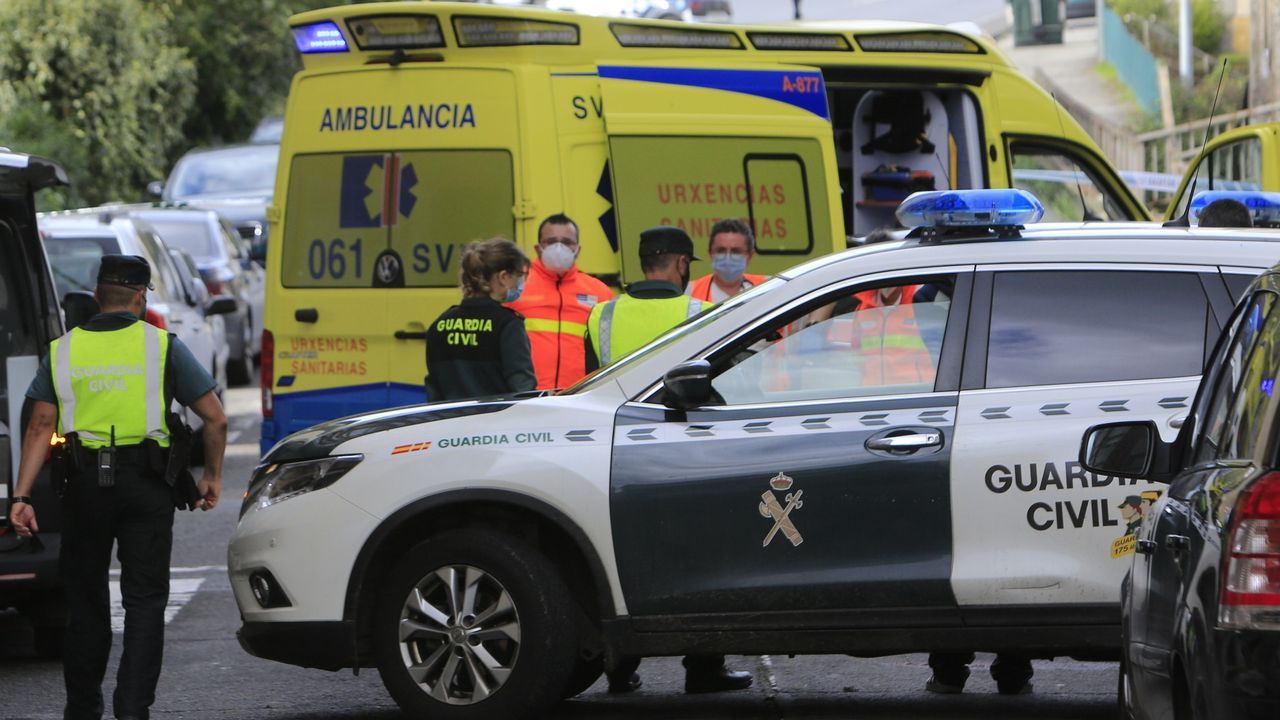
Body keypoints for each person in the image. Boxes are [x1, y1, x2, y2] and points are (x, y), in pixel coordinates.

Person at [8, 254, 227, 720]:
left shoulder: (62, 349)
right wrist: (211, 476)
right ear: (140, 296)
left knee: (85, 602)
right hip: (146, 486)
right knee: (145, 602)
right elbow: (215, 417)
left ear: (97, 296)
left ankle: (82, 710)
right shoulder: (163, 345)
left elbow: (40, 425)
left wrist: (22, 496)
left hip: (85, 487)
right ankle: (132, 711)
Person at [584, 228, 751, 694]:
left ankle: (619, 669)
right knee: (698, 559)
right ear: (681, 264)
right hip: (685, 452)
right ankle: (703, 669)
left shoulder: (603, 314)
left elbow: (589, 383)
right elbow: (720, 391)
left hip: (616, 453)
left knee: (623, 556)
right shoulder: (697, 312)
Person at [505, 214, 613, 389]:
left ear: (578, 249)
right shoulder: (516, 284)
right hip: (527, 397)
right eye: (551, 241)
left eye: (567, 242)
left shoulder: (600, 292)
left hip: (580, 396)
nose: (559, 247)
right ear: (538, 248)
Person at [585, 226, 711, 372]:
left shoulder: (603, 314)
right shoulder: (704, 314)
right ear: (682, 263)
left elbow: (590, 380)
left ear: (644, 265)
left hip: (618, 395)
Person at [425, 238, 536, 401]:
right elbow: (522, 388)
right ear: (503, 277)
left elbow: (434, 389)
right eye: (519, 276)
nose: (521, 283)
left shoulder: (440, 324)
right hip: (497, 422)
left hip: (450, 423)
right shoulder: (507, 325)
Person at [687, 219, 768, 303]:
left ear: (750, 256)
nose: (728, 257)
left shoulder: (767, 287)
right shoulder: (690, 292)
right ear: (710, 253)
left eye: (736, 251)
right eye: (721, 251)